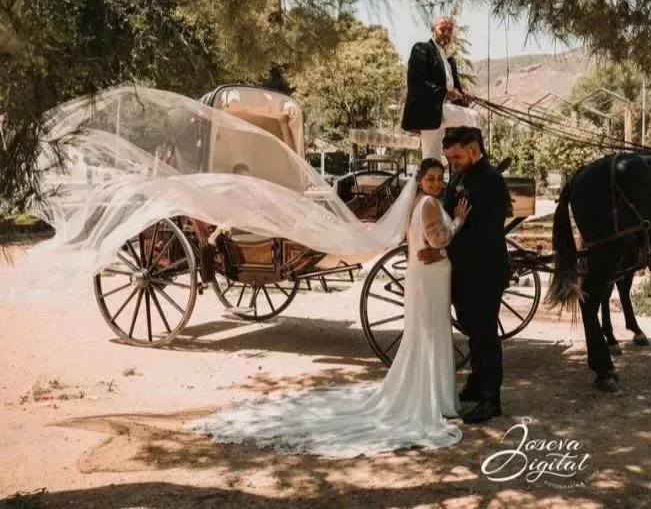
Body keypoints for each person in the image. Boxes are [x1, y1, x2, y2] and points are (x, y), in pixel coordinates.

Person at [188, 159, 472, 457]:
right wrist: (458, 222)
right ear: (421, 180)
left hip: (423, 274)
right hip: (430, 277)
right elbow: (437, 238)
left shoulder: (416, 202)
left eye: (440, 179)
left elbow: (419, 240)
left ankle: (429, 392)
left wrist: (436, 247)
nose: (437, 184)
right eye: (431, 179)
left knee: (425, 333)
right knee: (432, 331)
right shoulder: (428, 204)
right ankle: (433, 396)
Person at [419, 126, 511, 424]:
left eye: (456, 157)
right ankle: (475, 384)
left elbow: (485, 234)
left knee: (485, 334)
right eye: (448, 158)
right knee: (473, 331)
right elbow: (447, 217)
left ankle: (490, 398)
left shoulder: (492, 182)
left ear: (474, 150)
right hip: (462, 271)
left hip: (485, 270)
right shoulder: (459, 176)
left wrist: (444, 253)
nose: (452, 164)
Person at [401, 16, 481, 160]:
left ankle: (465, 162)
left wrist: (463, 95)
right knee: (473, 116)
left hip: (442, 113)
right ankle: (478, 162)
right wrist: (445, 93)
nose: (446, 32)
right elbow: (416, 84)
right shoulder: (421, 49)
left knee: (431, 160)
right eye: (442, 29)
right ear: (433, 30)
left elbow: (456, 90)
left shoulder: (450, 60)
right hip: (427, 110)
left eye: (450, 30)